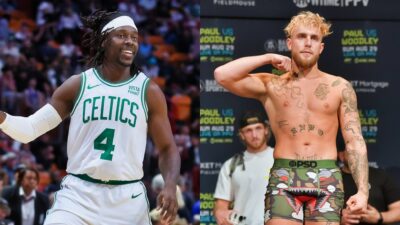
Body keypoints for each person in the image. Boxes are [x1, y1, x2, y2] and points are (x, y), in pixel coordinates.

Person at [0, 10, 181, 225]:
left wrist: (170, 185)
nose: (130, 41)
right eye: (121, 35)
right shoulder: (78, 85)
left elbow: (168, 149)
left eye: (134, 37)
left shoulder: (148, 91)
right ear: (104, 41)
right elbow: (29, 130)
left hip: (127, 200)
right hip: (78, 195)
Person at [214, 11, 368, 225]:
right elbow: (222, 75)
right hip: (284, 174)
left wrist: (362, 191)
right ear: (289, 43)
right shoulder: (272, 85)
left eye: (314, 38)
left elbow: (354, 141)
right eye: (301, 36)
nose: (308, 43)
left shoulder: (339, 87)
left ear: (321, 47)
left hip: (326, 174)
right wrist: (268, 57)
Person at [213, 111, 274, 225]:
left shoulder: (279, 159)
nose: (254, 135)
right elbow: (221, 206)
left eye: (258, 128)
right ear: (241, 135)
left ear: (266, 129)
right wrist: (221, 215)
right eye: (248, 130)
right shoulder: (231, 165)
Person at [337, 141, 400, 225]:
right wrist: (338, 220)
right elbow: (317, 212)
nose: (359, 156)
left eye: (361, 151)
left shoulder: (380, 175)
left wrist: (379, 217)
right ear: (341, 156)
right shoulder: (332, 179)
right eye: (353, 152)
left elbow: (398, 209)